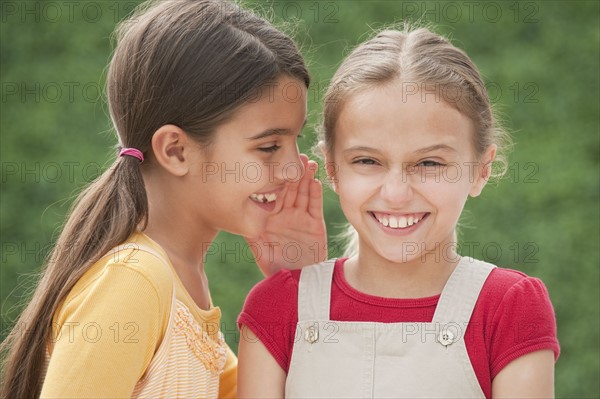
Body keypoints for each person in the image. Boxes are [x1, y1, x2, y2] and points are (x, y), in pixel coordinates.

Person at [0, 0, 327, 397]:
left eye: (296, 140)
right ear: (175, 150)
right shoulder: (135, 282)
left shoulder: (180, 289)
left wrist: (296, 288)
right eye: (269, 146)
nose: (295, 168)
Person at [238, 25, 559, 398]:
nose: (395, 194)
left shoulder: (509, 307)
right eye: (367, 160)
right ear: (331, 168)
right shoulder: (277, 308)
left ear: (481, 170)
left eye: (429, 163)